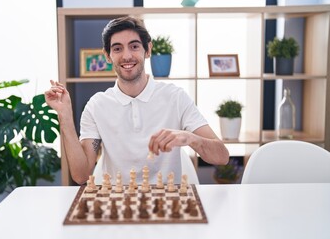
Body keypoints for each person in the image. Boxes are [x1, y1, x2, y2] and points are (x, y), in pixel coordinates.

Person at [45, 16, 229, 185]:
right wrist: (65, 116)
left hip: (167, 203)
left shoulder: (176, 97)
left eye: (134, 46)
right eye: (117, 49)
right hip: (117, 205)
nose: (126, 56)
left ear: (147, 49)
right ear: (108, 56)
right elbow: (81, 175)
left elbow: (222, 157)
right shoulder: (96, 105)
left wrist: (190, 138)